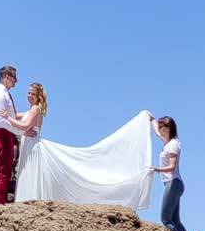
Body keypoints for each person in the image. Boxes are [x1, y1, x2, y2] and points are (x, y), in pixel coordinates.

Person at [11, 83, 156, 209]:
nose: (29, 95)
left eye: (33, 93)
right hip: (28, 144)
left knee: (29, 173)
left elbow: (25, 125)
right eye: (28, 92)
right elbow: (18, 116)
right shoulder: (30, 110)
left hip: (32, 146)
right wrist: (7, 110)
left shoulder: (36, 109)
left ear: (39, 97)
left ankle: (26, 203)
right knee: (27, 173)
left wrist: (7, 118)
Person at [149, 114, 187, 231]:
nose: (160, 130)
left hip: (173, 183)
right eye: (159, 127)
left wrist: (155, 169)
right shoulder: (167, 142)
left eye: (162, 127)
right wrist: (150, 117)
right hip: (173, 184)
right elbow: (156, 131)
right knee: (175, 220)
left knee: (166, 219)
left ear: (169, 128)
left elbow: (172, 166)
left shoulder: (172, 145)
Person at [0, 65, 22, 205]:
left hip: (6, 134)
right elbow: (1, 120)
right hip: (2, 134)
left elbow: (10, 115)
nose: (16, 81)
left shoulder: (4, 93)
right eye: (14, 77)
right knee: (3, 172)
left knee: (7, 171)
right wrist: (19, 131)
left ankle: (1, 203)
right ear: (6, 77)